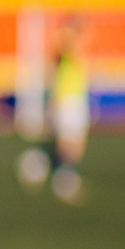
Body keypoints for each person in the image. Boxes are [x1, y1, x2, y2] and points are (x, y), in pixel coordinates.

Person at [46, 15, 88, 203]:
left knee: (76, 141)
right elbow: (61, 45)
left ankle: (66, 175)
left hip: (76, 99)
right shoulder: (64, 53)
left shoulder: (69, 56)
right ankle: (64, 179)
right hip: (68, 100)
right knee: (68, 142)